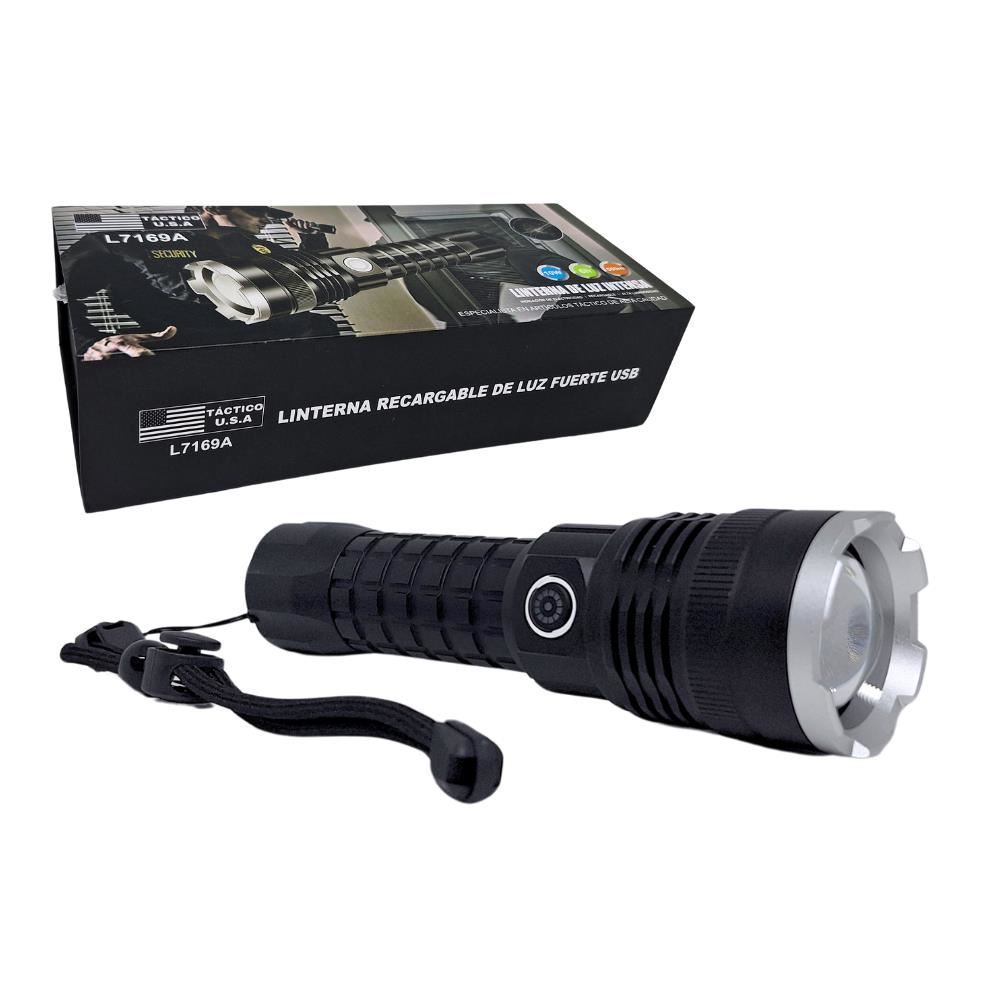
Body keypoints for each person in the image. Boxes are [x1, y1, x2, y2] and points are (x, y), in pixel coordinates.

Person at [62, 206, 335, 360]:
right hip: (189, 353)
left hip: (278, 351)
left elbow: (315, 277)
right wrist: (89, 344)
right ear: (213, 205)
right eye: (256, 208)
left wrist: (310, 239)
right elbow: (60, 296)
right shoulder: (126, 241)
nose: (265, 218)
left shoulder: (254, 246)